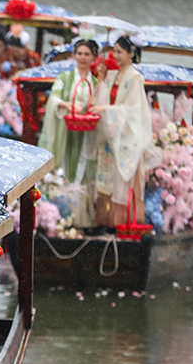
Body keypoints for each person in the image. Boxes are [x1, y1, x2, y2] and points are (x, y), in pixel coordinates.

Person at [91, 36, 161, 226]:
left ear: (132, 54)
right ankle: (104, 222)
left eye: (120, 52)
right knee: (106, 178)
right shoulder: (113, 75)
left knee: (122, 181)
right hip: (111, 132)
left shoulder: (135, 78)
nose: (115, 55)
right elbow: (103, 98)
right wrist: (101, 78)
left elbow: (133, 110)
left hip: (126, 137)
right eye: (114, 51)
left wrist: (107, 109)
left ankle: (122, 225)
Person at [38, 39, 100, 184]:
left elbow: (99, 106)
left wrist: (94, 103)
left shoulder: (96, 83)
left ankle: (79, 190)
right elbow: (54, 97)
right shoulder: (64, 77)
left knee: (81, 163)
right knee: (64, 160)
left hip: (86, 129)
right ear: (74, 55)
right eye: (79, 53)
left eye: (87, 54)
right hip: (65, 126)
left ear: (93, 57)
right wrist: (66, 105)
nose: (83, 57)